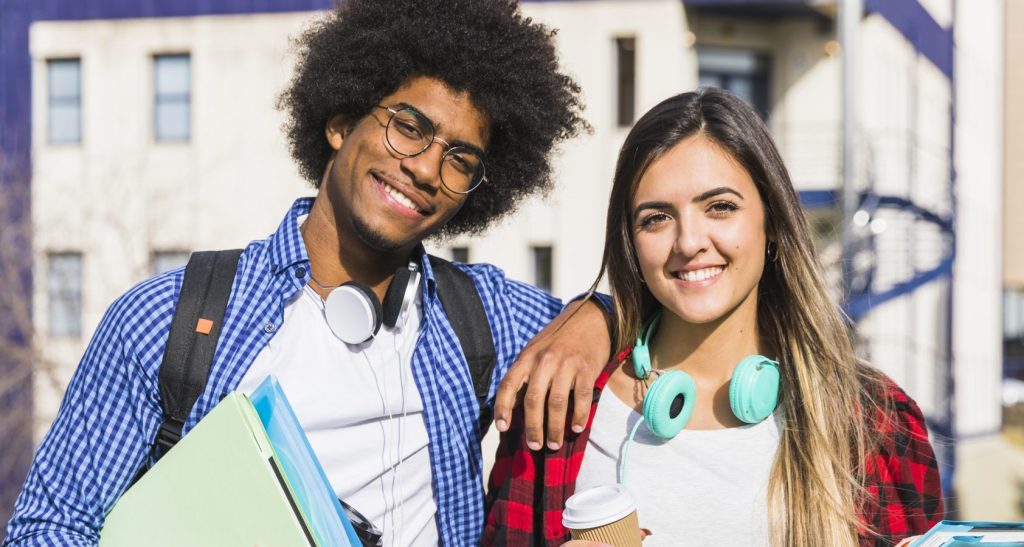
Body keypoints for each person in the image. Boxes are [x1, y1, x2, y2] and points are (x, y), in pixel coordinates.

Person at [4, 1, 613, 545]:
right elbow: (50, 527)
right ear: (342, 123)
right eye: (409, 127)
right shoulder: (167, 320)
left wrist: (594, 318)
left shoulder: (485, 317)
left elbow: (648, 316)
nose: (427, 169)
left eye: (460, 159)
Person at [484, 88, 944, 546]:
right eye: (656, 218)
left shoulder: (875, 420)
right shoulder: (559, 406)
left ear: (773, 224)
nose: (688, 242)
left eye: (719, 207)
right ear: (631, 243)